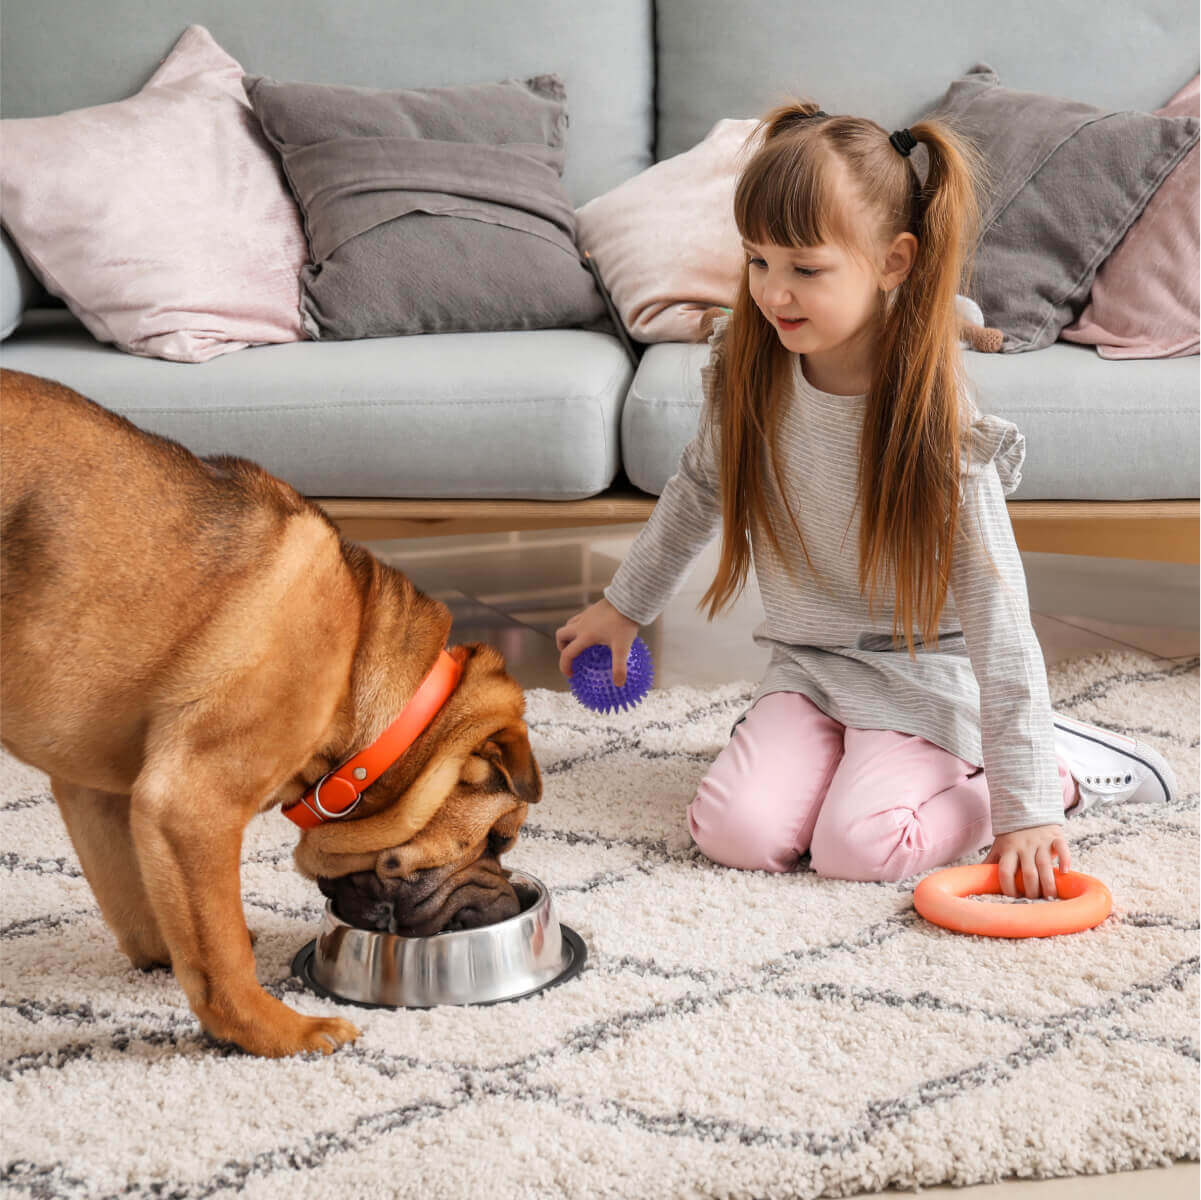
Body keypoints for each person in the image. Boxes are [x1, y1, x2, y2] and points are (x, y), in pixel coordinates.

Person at [555, 102, 1176, 899]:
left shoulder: (936, 421)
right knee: (733, 833)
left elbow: (997, 613)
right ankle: (851, 757)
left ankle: (1058, 769)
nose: (773, 294)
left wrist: (1023, 810)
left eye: (804, 269)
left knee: (861, 845)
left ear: (892, 261)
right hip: (810, 665)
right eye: (757, 262)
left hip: (924, 674)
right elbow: (700, 488)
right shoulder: (749, 369)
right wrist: (624, 605)